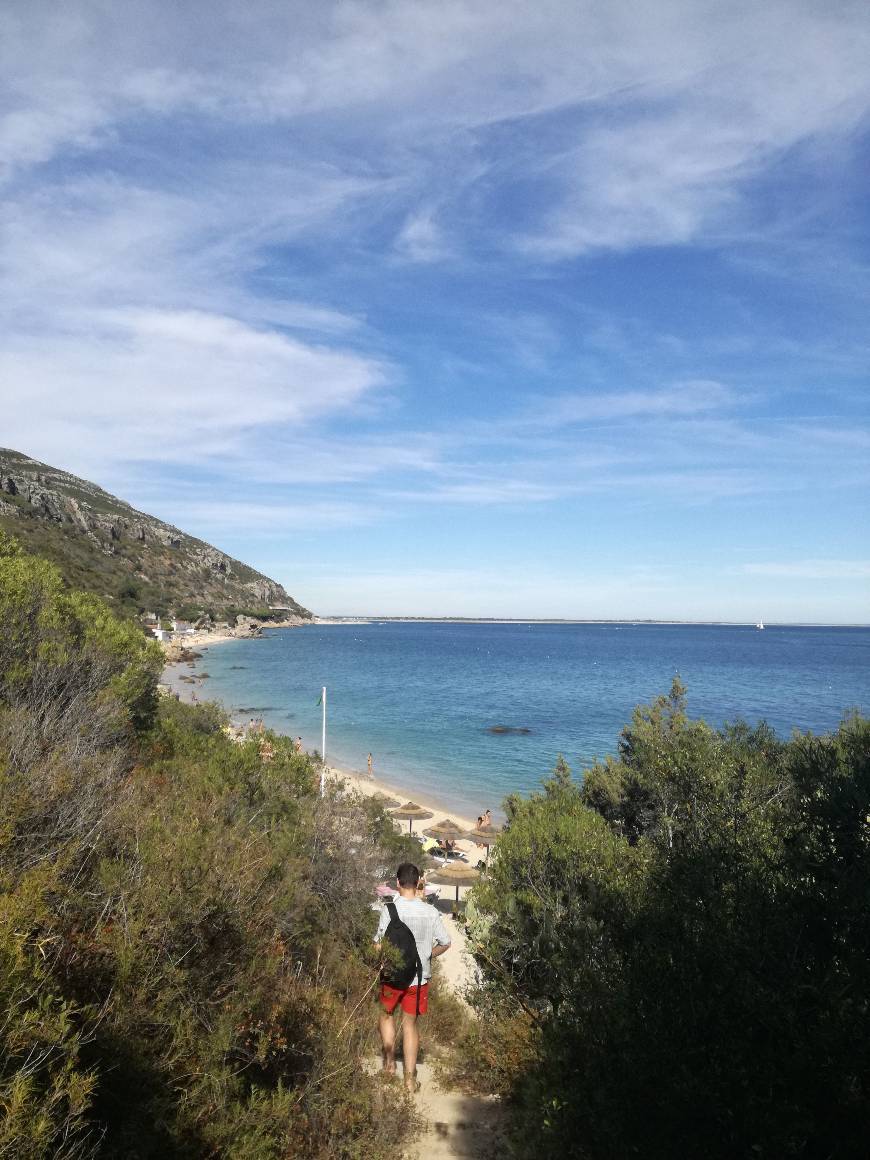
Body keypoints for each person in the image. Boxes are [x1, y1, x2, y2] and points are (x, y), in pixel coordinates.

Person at [374, 862, 451, 1093]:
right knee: (410, 1025)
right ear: (418, 884)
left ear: (397, 883)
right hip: (419, 978)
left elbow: (378, 944)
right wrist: (428, 956)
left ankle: (389, 1063)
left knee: (386, 1015)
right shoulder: (430, 912)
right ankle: (409, 1080)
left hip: (392, 975)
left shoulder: (389, 910)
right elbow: (446, 942)